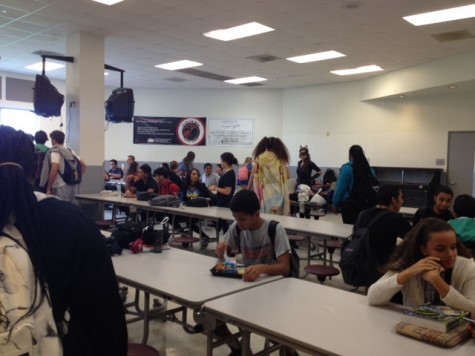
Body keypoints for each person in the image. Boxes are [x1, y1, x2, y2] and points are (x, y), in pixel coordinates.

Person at [0, 125, 127, 355]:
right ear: (33, 168)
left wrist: (50, 183)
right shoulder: (69, 224)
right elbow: (105, 320)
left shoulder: (55, 153)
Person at [215, 189, 292, 355]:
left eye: (243, 219)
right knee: (212, 315)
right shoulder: (238, 227)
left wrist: (262, 267)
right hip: (248, 287)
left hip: (273, 291)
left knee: (270, 329)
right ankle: (237, 348)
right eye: (236, 218)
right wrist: (221, 252)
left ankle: (289, 351)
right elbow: (226, 253)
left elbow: (285, 267)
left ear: (256, 213)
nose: (239, 223)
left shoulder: (274, 229)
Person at [367, 218, 475, 316]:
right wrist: (408, 272)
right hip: (417, 329)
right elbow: (373, 297)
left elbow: (473, 310)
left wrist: (436, 280)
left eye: (453, 247)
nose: (451, 254)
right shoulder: (410, 263)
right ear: (423, 249)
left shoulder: (468, 268)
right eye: (440, 249)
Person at [354, 185, 412, 285]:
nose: (402, 201)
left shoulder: (363, 214)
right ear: (394, 200)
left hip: (361, 262)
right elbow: (413, 238)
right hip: (383, 268)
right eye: (401, 198)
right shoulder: (395, 218)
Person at [333, 144, 377, 224]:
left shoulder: (347, 168)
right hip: (367, 206)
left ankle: (351, 237)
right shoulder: (370, 170)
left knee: (350, 230)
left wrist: (335, 203)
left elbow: (340, 188)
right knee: (363, 229)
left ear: (350, 155)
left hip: (350, 206)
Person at [39, 130, 87, 203]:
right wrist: (76, 178)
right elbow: (84, 165)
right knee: (71, 208)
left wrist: (48, 188)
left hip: (60, 186)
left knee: (61, 209)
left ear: (54, 140)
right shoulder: (70, 151)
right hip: (72, 184)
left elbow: (54, 171)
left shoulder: (55, 151)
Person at [251, 136, 290, 216]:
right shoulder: (282, 158)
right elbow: (288, 176)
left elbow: (254, 177)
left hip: (265, 193)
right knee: (279, 216)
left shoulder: (260, 158)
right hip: (280, 193)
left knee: (266, 216)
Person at [182, 168, 215, 248]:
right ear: (189, 176)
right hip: (188, 210)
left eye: (197, 174)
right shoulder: (185, 186)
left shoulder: (201, 186)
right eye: (193, 174)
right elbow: (183, 199)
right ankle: (186, 236)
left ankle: (204, 237)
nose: (196, 176)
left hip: (200, 211)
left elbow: (211, 197)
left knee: (189, 222)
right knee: (177, 218)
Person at [209, 152, 238, 234]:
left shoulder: (229, 174)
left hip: (225, 203)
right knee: (222, 223)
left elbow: (227, 191)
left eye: (221, 161)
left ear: (225, 162)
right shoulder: (226, 173)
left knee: (223, 224)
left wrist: (215, 188)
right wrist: (217, 186)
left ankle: (228, 240)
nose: (221, 163)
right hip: (222, 201)